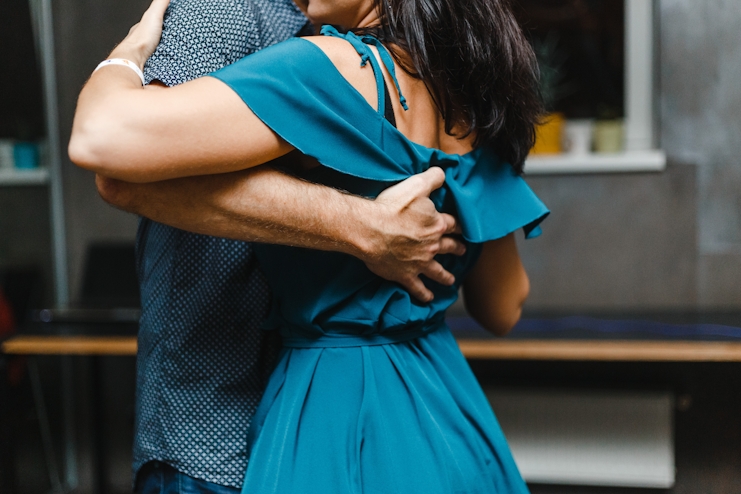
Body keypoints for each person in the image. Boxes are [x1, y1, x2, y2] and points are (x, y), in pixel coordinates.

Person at [70, 0, 549, 491]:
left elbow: (100, 138)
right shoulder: (478, 95)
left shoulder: (332, 66)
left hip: (333, 408)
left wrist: (126, 57)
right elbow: (503, 306)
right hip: (447, 409)